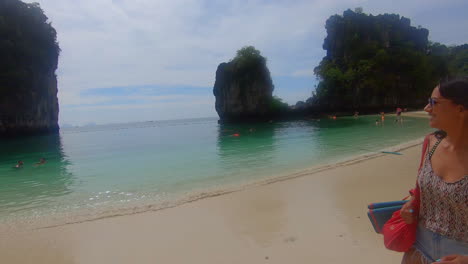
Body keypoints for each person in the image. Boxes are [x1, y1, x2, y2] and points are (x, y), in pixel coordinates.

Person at [400, 78, 468, 264]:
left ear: (460, 110)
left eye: (433, 102)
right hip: (418, 249)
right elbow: (424, 188)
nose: (426, 108)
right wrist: (413, 202)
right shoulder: (431, 143)